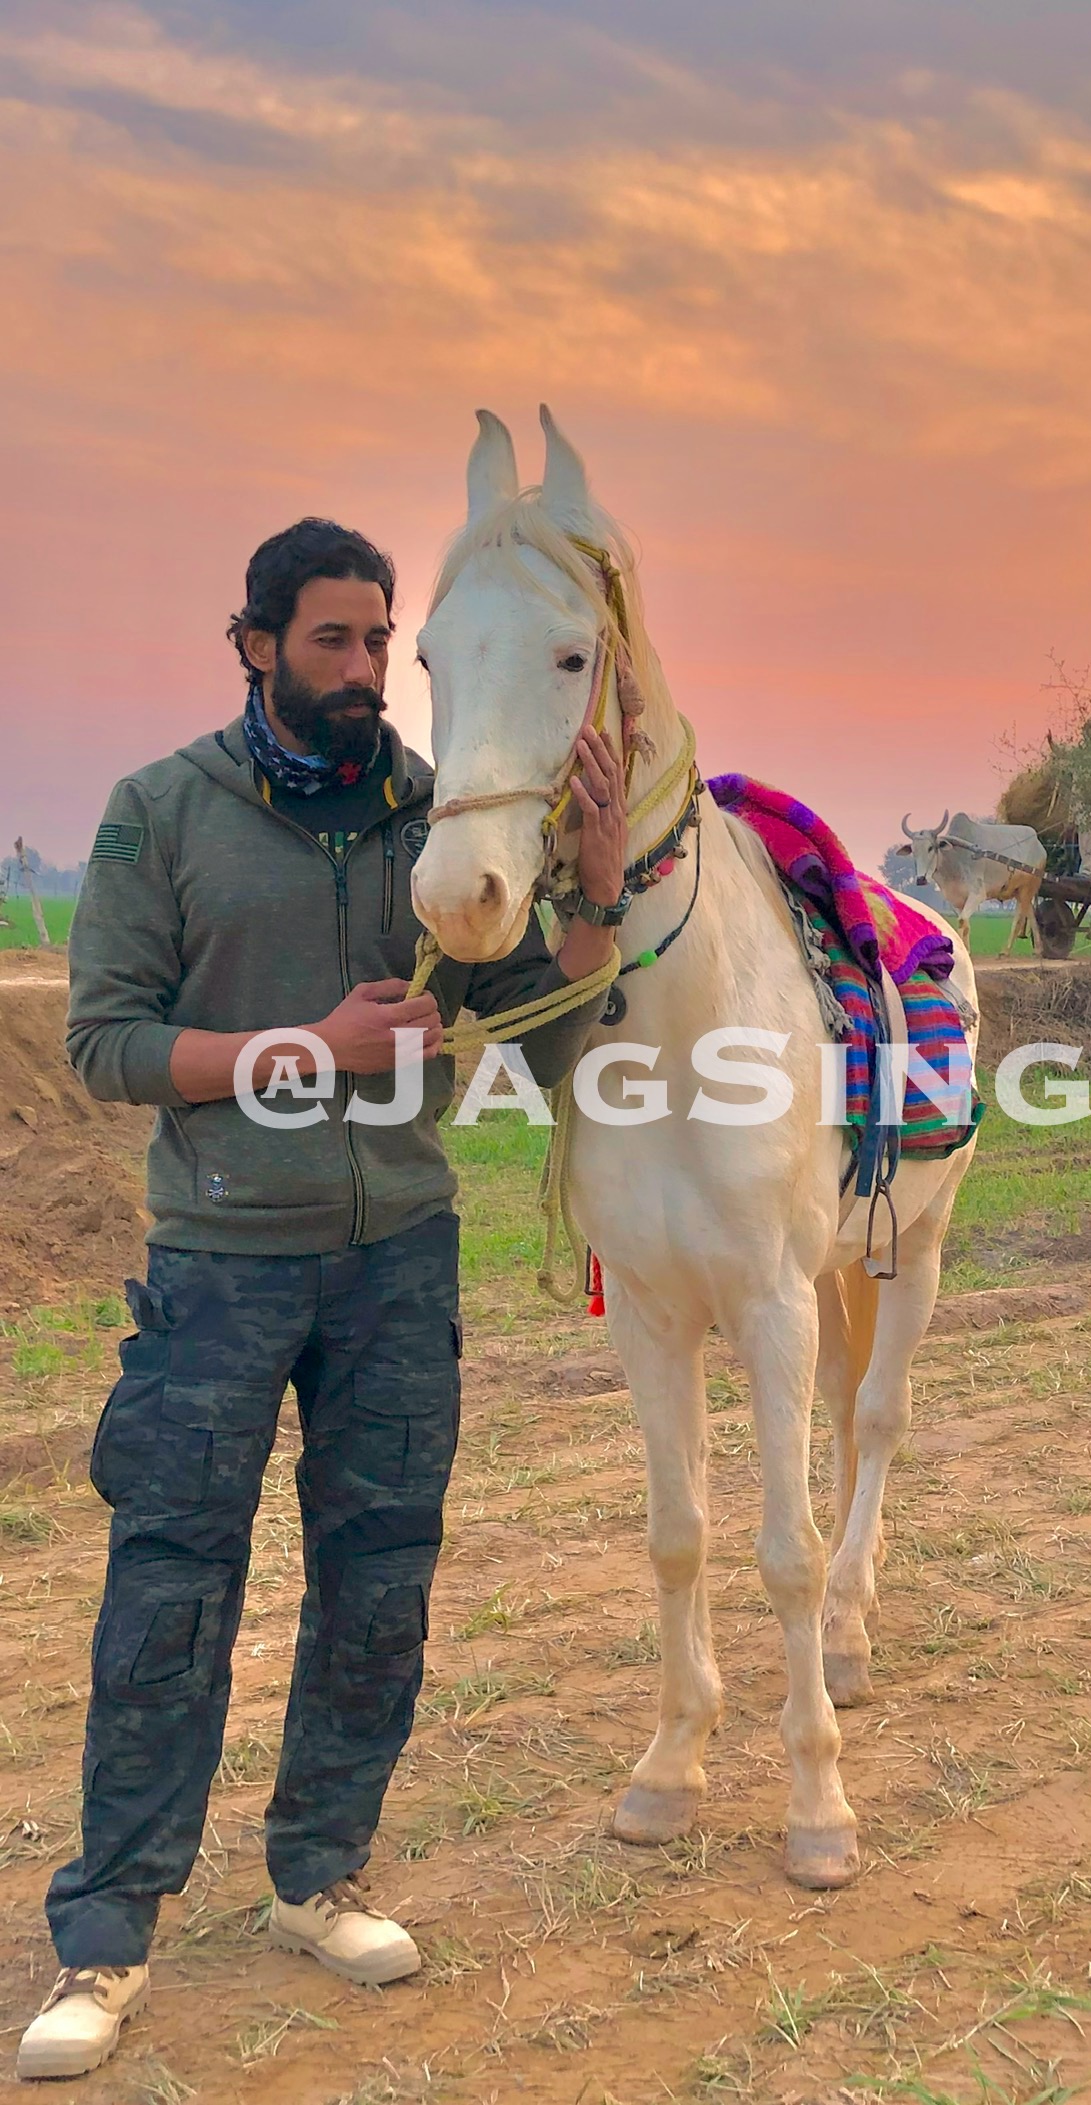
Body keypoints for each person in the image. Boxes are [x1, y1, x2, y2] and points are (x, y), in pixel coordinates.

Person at [19, 519, 629, 2081]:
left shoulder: (437, 820)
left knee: (380, 1579)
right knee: (170, 1587)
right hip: (219, 1266)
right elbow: (104, 1044)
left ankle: (318, 1874)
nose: (366, 673)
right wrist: (307, 1048)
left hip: (397, 1259)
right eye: (334, 643)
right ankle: (106, 1932)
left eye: (380, 644)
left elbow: (556, 1040)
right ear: (257, 645)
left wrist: (598, 890)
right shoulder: (163, 812)